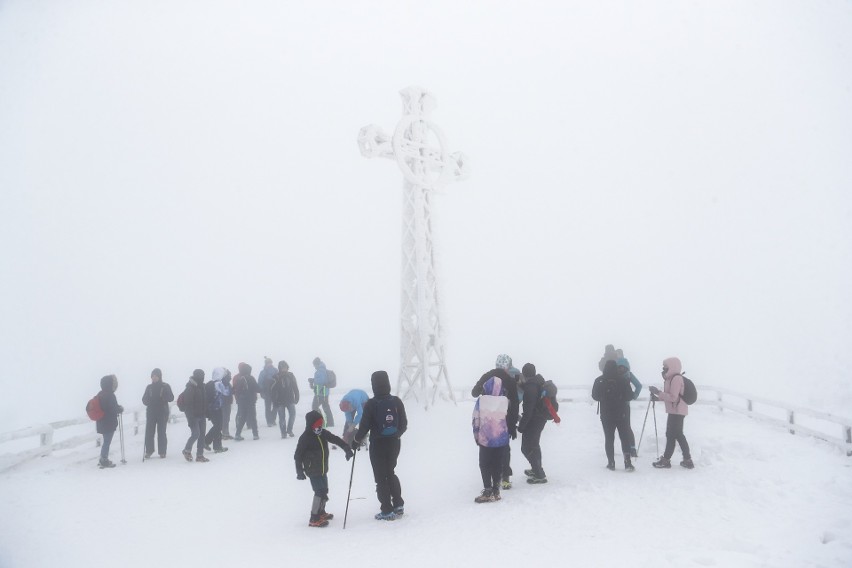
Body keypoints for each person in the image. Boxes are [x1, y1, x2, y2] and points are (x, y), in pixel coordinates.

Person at [352, 371, 408, 521]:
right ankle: (398, 504)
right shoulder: (396, 401)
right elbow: (404, 424)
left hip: (377, 444)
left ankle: (386, 510)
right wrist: (395, 435)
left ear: (374, 385)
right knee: (390, 472)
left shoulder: (371, 404)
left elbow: (363, 427)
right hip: (394, 443)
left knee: (380, 477)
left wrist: (356, 441)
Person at [294, 410, 353, 527]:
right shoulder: (305, 438)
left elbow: (335, 439)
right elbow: (298, 455)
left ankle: (321, 512)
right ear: (311, 424)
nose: (320, 426)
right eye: (317, 424)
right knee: (319, 492)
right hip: (312, 470)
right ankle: (314, 518)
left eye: (321, 423)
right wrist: (299, 471)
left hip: (322, 468)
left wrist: (346, 448)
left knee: (324, 491)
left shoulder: (322, 433)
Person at [471, 362, 519, 503]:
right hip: (501, 437)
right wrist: (512, 427)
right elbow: (513, 408)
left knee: (485, 463)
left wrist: (476, 436)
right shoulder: (505, 400)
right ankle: (496, 490)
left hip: (485, 438)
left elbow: (476, 420)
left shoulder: (482, 400)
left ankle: (487, 491)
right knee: (498, 462)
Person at [649, 357, 693, 469]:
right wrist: (657, 397)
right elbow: (670, 397)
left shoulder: (676, 379)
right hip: (675, 411)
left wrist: (658, 393)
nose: (664, 369)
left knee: (672, 435)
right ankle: (686, 460)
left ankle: (667, 460)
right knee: (676, 435)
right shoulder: (670, 379)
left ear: (672, 366)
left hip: (677, 411)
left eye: (666, 367)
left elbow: (673, 398)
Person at [591, 360, 636, 471]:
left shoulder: (599, 380)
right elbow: (629, 396)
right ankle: (627, 462)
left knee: (609, 438)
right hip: (621, 413)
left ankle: (611, 463)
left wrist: (604, 396)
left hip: (606, 414)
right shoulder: (623, 380)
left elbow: (595, 396)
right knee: (624, 437)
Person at [517, 363, 550, 484]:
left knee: (526, 448)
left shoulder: (531, 387)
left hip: (534, 420)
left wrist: (521, 427)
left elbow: (528, 411)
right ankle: (536, 468)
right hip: (539, 418)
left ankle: (539, 474)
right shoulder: (537, 382)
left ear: (525, 374)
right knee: (534, 445)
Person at [142, 368, 174, 459]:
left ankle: (162, 452)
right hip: (151, 412)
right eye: (152, 376)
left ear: (159, 376)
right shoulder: (149, 387)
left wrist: (164, 397)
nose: (154, 378)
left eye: (156, 376)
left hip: (162, 412)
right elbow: (144, 399)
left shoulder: (165, 386)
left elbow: (171, 397)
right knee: (149, 432)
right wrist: (147, 401)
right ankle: (149, 451)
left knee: (162, 433)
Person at [616, 357, 643, 457]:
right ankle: (630, 448)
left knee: (625, 427)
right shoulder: (628, 375)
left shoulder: (622, 375)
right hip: (623, 404)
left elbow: (639, 385)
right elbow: (639, 385)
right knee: (625, 427)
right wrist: (634, 396)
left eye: (622, 367)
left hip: (621, 404)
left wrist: (634, 396)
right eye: (619, 367)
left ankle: (631, 448)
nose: (621, 369)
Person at [95, 374, 123, 469]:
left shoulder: (100, 394)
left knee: (106, 441)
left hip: (101, 422)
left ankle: (102, 458)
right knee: (107, 442)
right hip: (108, 423)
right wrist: (120, 409)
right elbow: (113, 409)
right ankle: (104, 459)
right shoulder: (110, 395)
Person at [181, 369, 209, 462]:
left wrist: (207, 412)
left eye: (203, 375)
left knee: (201, 436)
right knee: (196, 434)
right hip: (193, 416)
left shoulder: (202, 387)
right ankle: (187, 450)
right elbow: (188, 405)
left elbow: (204, 401)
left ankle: (200, 455)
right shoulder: (190, 388)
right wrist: (191, 418)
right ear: (197, 376)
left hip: (202, 415)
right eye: (201, 375)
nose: (203, 377)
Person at [270, 360, 300, 438]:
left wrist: (297, 396)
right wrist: (274, 401)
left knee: (293, 415)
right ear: (279, 368)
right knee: (282, 418)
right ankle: (283, 433)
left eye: (285, 367)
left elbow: (295, 386)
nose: (284, 369)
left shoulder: (291, 375)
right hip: (279, 401)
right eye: (282, 367)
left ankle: (289, 430)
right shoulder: (275, 377)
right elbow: (272, 390)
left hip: (290, 399)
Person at [203, 367, 230, 454]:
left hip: (211, 408)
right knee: (218, 426)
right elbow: (227, 392)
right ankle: (206, 441)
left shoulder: (210, 383)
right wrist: (226, 382)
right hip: (217, 408)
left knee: (217, 426)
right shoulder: (219, 384)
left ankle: (217, 446)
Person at [233, 362, 260, 441]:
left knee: (242, 418)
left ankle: (237, 434)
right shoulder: (251, 378)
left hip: (242, 401)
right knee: (253, 417)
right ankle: (255, 434)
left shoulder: (239, 379)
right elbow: (257, 388)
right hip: (251, 401)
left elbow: (235, 391)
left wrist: (238, 399)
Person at [309, 357, 335, 427]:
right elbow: (322, 380)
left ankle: (321, 422)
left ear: (316, 364)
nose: (314, 366)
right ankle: (330, 423)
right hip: (323, 392)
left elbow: (321, 381)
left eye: (314, 365)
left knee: (315, 407)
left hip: (321, 392)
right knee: (325, 407)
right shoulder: (322, 369)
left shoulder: (320, 370)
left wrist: (313, 380)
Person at [258, 357, 277, 427]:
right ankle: (269, 421)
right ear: (266, 364)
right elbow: (260, 382)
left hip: (275, 391)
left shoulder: (276, 370)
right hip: (267, 391)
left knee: (276, 405)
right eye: (268, 363)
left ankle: (273, 419)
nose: (270, 364)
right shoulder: (263, 372)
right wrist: (261, 392)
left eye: (270, 363)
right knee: (268, 407)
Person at [221, 370, 234, 440]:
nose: (230, 377)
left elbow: (231, 391)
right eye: (229, 375)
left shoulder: (228, 383)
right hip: (224, 404)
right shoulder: (223, 383)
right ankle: (224, 434)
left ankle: (226, 433)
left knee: (226, 418)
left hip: (227, 403)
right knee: (224, 419)